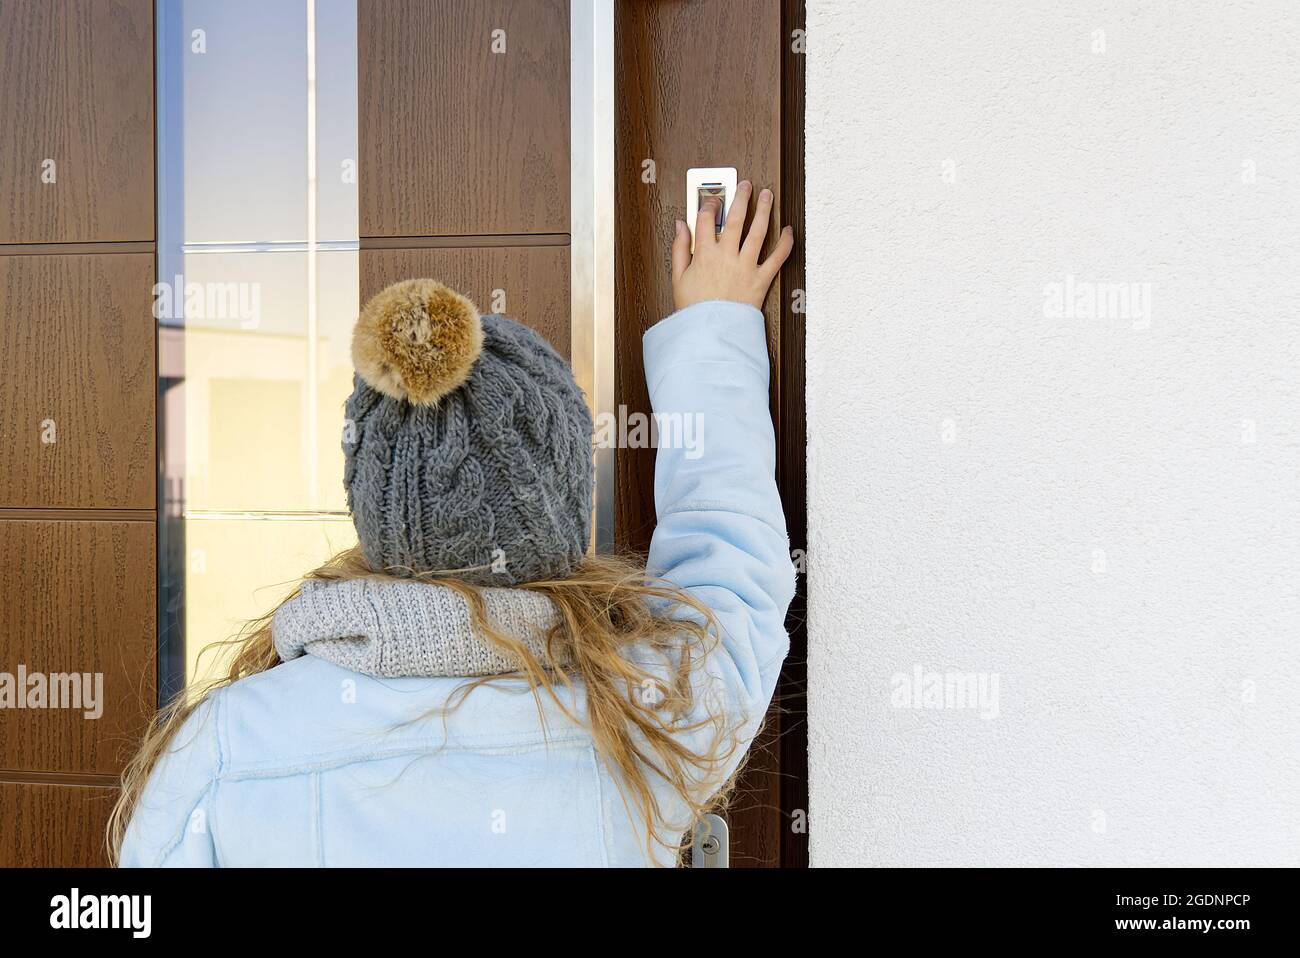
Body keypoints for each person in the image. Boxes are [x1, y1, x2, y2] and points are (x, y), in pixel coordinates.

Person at [114, 181, 796, 867]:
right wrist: (714, 327)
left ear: (375, 506)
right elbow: (731, 567)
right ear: (561, 501)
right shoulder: (647, 716)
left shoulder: (227, 754)